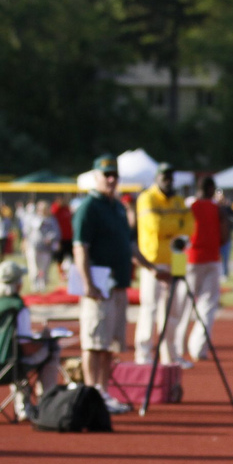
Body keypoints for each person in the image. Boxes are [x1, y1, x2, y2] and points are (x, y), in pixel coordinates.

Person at [74, 156, 166, 414]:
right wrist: (88, 283)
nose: (111, 179)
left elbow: (129, 245)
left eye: (114, 174)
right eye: (106, 174)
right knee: (94, 342)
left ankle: (102, 391)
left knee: (110, 345)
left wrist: (151, 268)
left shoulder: (117, 207)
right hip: (99, 285)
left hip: (118, 285)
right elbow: (80, 247)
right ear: (96, 176)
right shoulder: (89, 207)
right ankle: (92, 393)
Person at [0, 261, 62, 420]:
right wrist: (44, 340)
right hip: (11, 367)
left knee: (15, 354)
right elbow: (26, 347)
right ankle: (46, 403)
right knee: (51, 349)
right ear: (18, 284)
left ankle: (23, 406)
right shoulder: (18, 307)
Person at [134, 163, 193, 367]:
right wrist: (176, 225)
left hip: (176, 257)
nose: (168, 181)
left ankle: (170, 354)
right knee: (150, 306)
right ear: (157, 177)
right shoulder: (147, 198)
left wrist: (173, 227)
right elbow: (155, 225)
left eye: (170, 177)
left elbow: (191, 226)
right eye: (164, 177)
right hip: (154, 258)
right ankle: (143, 353)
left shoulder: (178, 200)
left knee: (174, 308)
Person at [175, 176, 226, 364]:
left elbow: (178, 236)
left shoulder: (189, 205)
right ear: (211, 188)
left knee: (183, 304)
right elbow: (225, 236)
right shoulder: (215, 208)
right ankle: (198, 347)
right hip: (210, 258)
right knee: (207, 305)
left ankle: (177, 346)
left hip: (190, 258)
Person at [21, 200, 60, 292]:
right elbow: (26, 232)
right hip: (34, 246)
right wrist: (25, 242)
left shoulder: (52, 220)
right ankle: (34, 286)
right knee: (34, 268)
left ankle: (43, 285)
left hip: (46, 248)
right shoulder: (32, 218)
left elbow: (57, 232)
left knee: (44, 268)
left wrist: (50, 238)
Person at [50, 196, 75, 281]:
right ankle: (61, 275)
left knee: (72, 258)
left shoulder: (67, 209)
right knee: (59, 258)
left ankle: (71, 274)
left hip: (70, 238)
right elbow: (52, 212)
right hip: (60, 238)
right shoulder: (57, 209)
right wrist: (58, 205)